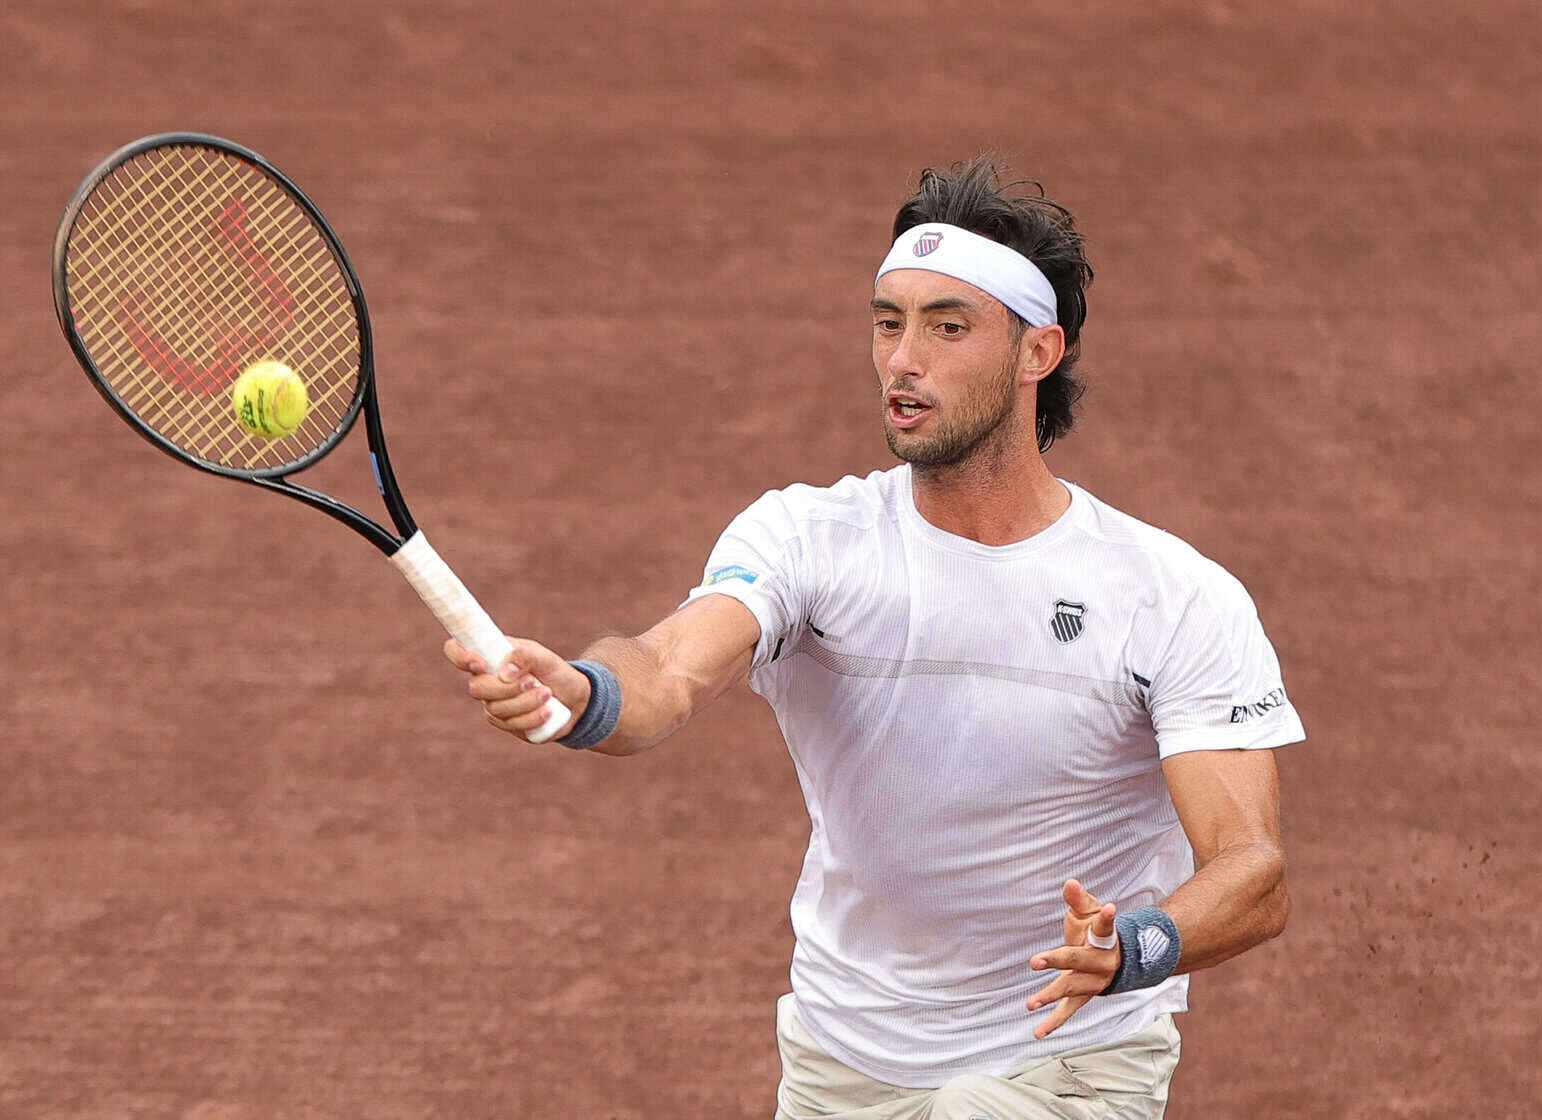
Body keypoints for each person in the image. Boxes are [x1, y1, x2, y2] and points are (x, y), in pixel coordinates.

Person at [443, 155, 1303, 1119]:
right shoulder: (810, 541)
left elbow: (1251, 872)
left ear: (1038, 354)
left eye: (948, 326)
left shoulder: (1172, 596)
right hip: (844, 1054)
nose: (904, 359)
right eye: (888, 323)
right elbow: (673, 668)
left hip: (1067, 1058)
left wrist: (1135, 943)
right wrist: (589, 691)